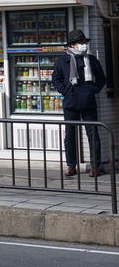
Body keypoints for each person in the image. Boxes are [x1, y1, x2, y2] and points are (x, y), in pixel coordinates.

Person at [51, 30, 107, 177]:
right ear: (72, 45)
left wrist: (92, 90)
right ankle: (71, 165)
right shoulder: (63, 61)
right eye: (81, 42)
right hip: (70, 103)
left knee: (93, 135)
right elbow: (56, 80)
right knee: (70, 136)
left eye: (85, 42)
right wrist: (66, 91)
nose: (84, 45)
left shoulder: (91, 60)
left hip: (88, 102)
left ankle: (95, 166)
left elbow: (101, 78)